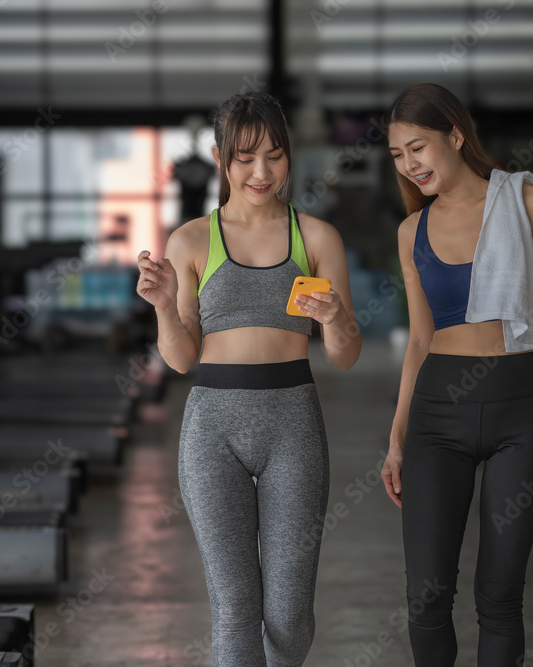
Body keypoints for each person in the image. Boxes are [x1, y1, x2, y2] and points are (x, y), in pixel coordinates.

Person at [136, 91, 361, 666]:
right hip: (213, 428)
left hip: (294, 423)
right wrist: (163, 305)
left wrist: (335, 319)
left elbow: (345, 355)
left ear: (290, 157)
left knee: (289, 615)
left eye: (275, 156)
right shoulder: (189, 241)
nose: (261, 172)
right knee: (235, 609)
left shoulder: (316, 238)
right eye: (245, 158)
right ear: (220, 158)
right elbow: (182, 359)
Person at [379, 83, 533, 666]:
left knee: (499, 597)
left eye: (418, 148)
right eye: (399, 156)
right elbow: (420, 341)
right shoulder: (411, 232)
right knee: (426, 598)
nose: (410, 165)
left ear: (455, 134)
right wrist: (398, 437)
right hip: (437, 414)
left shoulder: (525, 200)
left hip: (519, 408)